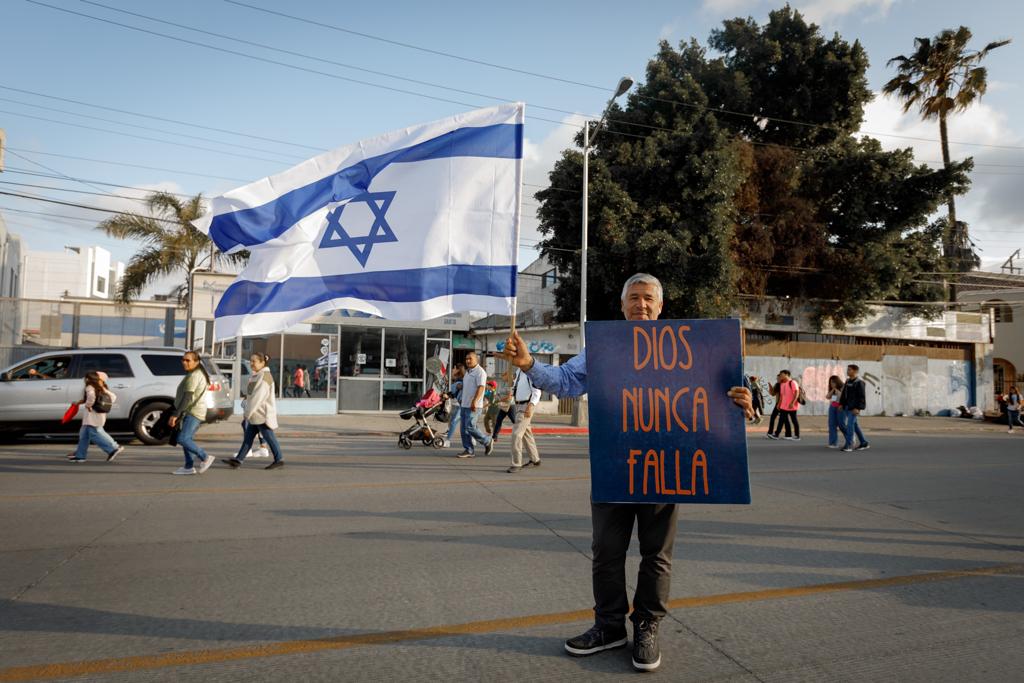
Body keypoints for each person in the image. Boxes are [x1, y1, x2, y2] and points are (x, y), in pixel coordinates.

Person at [504, 273, 753, 673]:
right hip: (615, 465)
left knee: (657, 555)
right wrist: (530, 364)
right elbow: (567, 383)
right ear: (622, 306)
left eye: (648, 299)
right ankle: (608, 627)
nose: (641, 305)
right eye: (634, 298)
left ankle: (647, 625)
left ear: (660, 307)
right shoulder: (605, 348)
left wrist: (743, 400)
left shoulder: (687, 346)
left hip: (666, 467)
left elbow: (725, 388)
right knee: (606, 551)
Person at [223, 353, 285, 470]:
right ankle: (238, 460)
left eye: (254, 361)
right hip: (255, 414)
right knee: (248, 438)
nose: (251, 363)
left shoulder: (264, 376)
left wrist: (248, 413)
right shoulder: (257, 375)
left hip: (261, 414)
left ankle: (279, 459)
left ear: (262, 363)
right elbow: (251, 395)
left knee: (269, 437)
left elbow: (258, 398)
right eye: (250, 361)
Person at [169, 351, 214, 475]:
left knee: (182, 439)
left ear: (196, 361)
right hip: (193, 411)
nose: (184, 362)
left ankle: (204, 457)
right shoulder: (195, 373)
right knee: (187, 438)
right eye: (183, 360)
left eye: (188, 360)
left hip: (193, 412)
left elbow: (187, 397)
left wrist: (176, 415)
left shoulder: (195, 375)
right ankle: (188, 467)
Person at [66, 370, 124, 463]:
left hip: (92, 415)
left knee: (94, 434)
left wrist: (89, 405)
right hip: (98, 414)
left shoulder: (90, 387)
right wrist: (101, 404)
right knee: (84, 435)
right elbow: (113, 397)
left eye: (86, 378)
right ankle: (80, 456)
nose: (85, 379)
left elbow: (91, 397)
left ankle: (111, 449)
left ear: (89, 379)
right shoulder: (101, 388)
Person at [457, 351, 494, 458]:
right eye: (466, 359)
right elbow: (468, 387)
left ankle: (487, 441)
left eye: (470, 359)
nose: (468, 361)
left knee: (470, 427)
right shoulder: (468, 372)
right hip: (464, 404)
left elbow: (481, 387)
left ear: (476, 359)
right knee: (463, 429)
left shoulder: (480, 372)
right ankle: (469, 450)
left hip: (474, 405)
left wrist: (474, 401)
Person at [506, 369, 541, 473]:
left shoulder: (531, 372)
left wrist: (530, 406)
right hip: (518, 405)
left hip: (526, 406)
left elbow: (537, 391)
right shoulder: (518, 371)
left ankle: (516, 464)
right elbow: (516, 387)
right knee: (526, 433)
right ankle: (535, 459)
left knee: (516, 434)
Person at [839, 364, 869, 452]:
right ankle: (864, 442)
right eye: (847, 369)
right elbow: (844, 394)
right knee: (855, 425)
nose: (847, 371)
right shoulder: (848, 381)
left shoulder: (860, 383)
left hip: (854, 408)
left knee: (850, 425)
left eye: (849, 370)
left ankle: (849, 445)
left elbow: (862, 397)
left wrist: (858, 408)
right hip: (847, 407)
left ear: (855, 371)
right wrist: (841, 404)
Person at [768, 370, 801, 441]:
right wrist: (779, 404)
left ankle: (797, 435)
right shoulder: (783, 384)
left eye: (782, 374)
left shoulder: (792, 382)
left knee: (794, 420)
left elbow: (796, 392)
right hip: (784, 406)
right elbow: (782, 396)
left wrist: (792, 402)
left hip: (791, 406)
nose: (780, 376)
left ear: (787, 374)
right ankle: (776, 435)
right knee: (781, 420)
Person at [826, 375, 845, 448]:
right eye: (831, 382)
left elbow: (843, 397)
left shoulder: (843, 387)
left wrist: (837, 391)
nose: (832, 384)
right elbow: (828, 397)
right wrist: (832, 390)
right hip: (832, 407)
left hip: (840, 407)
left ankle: (850, 438)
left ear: (837, 382)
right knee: (832, 425)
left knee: (842, 425)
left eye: (833, 382)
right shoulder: (833, 389)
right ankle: (833, 443)